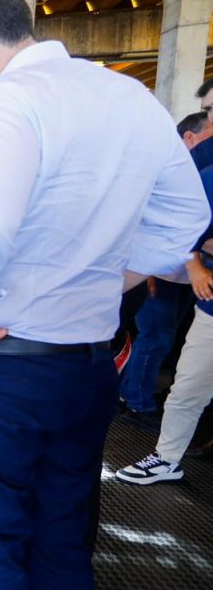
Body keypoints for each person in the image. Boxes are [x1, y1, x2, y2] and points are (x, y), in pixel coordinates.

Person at [0, 0, 209, 590]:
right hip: (88, 371)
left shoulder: (7, 98)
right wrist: (96, 278)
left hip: (3, 376)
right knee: (64, 552)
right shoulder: (128, 95)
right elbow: (186, 220)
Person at [116, 113, 213, 484]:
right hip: (195, 296)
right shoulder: (202, 172)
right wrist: (194, 266)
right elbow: (177, 227)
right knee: (183, 378)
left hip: (182, 287)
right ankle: (164, 453)